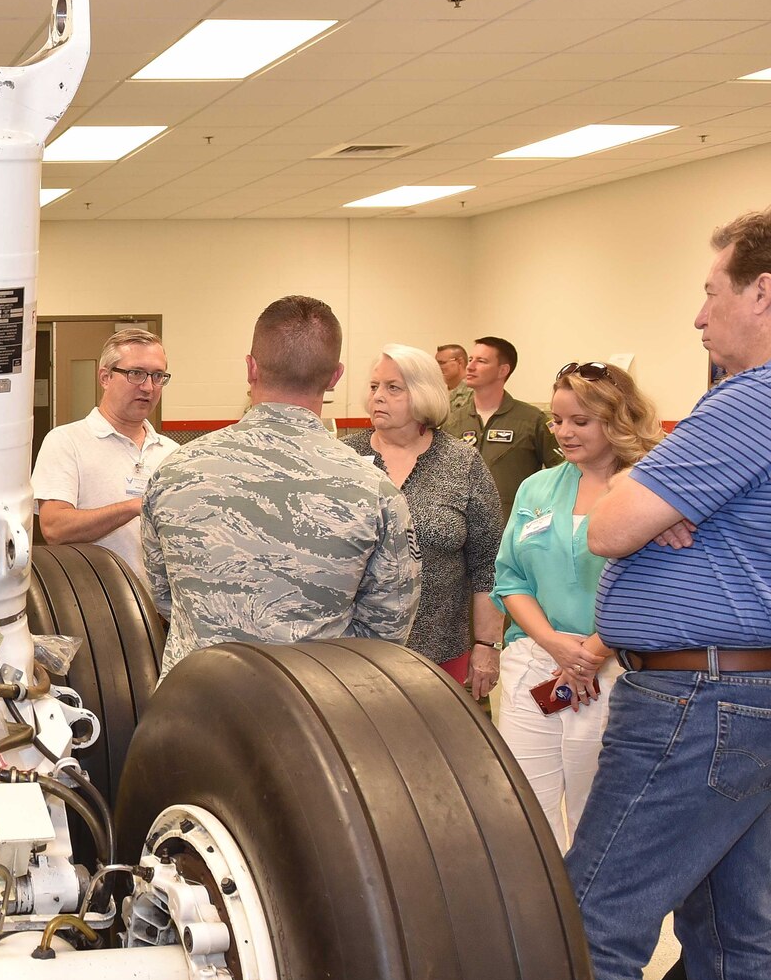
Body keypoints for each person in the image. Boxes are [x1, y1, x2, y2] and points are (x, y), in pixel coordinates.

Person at [565, 207, 771, 980]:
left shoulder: (747, 401)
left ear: (761, 293)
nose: (697, 313)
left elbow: (604, 523)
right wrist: (665, 502)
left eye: (710, 291)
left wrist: (650, 503)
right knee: (741, 932)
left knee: (590, 925)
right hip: (754, 699)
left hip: (693, 698)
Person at [141, 295, 420, 677]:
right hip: (315, 710)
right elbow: (387, 630)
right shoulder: (375, 492)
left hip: (194, 706)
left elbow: (165, 597)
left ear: (251, 368)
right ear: (335, 376)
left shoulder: (174, 472)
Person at [489, 362, 662, 850]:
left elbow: (655, 587)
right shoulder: (538, 487)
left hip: (613, 669)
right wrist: (552, 643)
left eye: (579, 422)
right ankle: (545, 924)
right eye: (556, 420)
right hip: (536, 665)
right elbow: (511, 576)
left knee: (599, 822)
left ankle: (592, 926)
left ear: (616, 420)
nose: (564, 432)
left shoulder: (649, 490)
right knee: (527, 821)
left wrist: (591, 652)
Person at [343, 345, 504, 694]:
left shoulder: (463, 462)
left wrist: (488, 646)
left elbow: (488, 563)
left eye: (393, 388)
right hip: (353, 655)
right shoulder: (344, 458)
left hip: (440, 651)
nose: (378, 398)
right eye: (374, 387)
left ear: (423, 393)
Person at [31, 327, 179, 573]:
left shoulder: (172, 453)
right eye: (136, 373)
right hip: (95, 604)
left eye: (157, 376)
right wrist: (134, 506)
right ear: (105, 377)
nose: (148, 387)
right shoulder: (66, 442)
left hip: (160, 607)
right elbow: (55, 528)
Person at [443, 335, 559, 518]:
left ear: (502, 370)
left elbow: (560, 472)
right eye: (471, 360)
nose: (470, 366)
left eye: (481, 361)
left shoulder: (531, 420)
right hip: (463, 530)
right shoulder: (452, 422)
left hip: (513, 527)